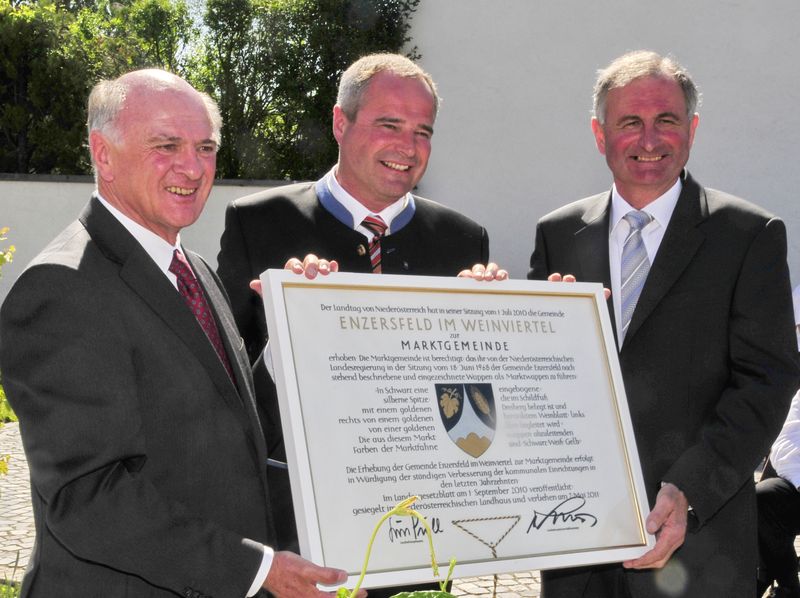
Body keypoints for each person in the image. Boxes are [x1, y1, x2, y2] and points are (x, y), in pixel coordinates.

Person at [0, 69, 360, 598]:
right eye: (166, 146)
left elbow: (229, 428)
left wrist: (293, 337)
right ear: (103, 155)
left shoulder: (193, 269)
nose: (192, 168)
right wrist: (259, 570)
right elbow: (90, 498)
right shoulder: (62, 286)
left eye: (205, 147)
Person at [216, 53, 503, 598]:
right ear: (340, 123)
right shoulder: (258, 223)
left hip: (419, 535)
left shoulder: (463, 240)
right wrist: (287, 335)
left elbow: (473, 403)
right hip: (292, 534)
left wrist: (494, 334)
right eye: (389, 125)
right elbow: (223, 388)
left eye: (423, 131)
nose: (408, 146)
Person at [528, 50, 800, 597]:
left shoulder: (749, 236)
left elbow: (767, 382)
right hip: (576, 547)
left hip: (699, 548)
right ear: (600, 134)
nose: (648, 139)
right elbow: (534, 381)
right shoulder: (558, 233)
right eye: (629, 121)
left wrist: (688, 489)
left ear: (692, 130)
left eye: (666, 120)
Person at [756, 290, 800, 598]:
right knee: (755, 504)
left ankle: (785, 585)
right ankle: (772, 580)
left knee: (763, 503)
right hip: (787, 468)